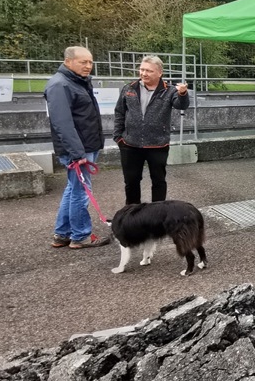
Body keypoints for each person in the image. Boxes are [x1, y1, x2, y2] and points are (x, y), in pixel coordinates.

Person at [45, 46, 110, 249]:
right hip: (78, 150)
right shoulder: (60, 85)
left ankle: (62, 233)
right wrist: (77, 153)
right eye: (83, 62)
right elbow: (62, 123)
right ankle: (80, 235)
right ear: (68, 61)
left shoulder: (76, 82)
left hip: (84, 146)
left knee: (73, 189)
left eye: (90, 62)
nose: (88, 66)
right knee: (81, 192)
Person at [113, 55, 191, 204]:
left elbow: (181, 105)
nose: (144, 73)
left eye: (148, 71)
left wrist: (182, 93)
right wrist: (118, 137)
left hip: (158, 145)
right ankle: (133, 214)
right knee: (131, 182)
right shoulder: (129, 88)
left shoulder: (169, 91)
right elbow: (119, 112)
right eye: (142, 69)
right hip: (130, 145)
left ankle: (157, 214)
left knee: (159, 182)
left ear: (159, 73)